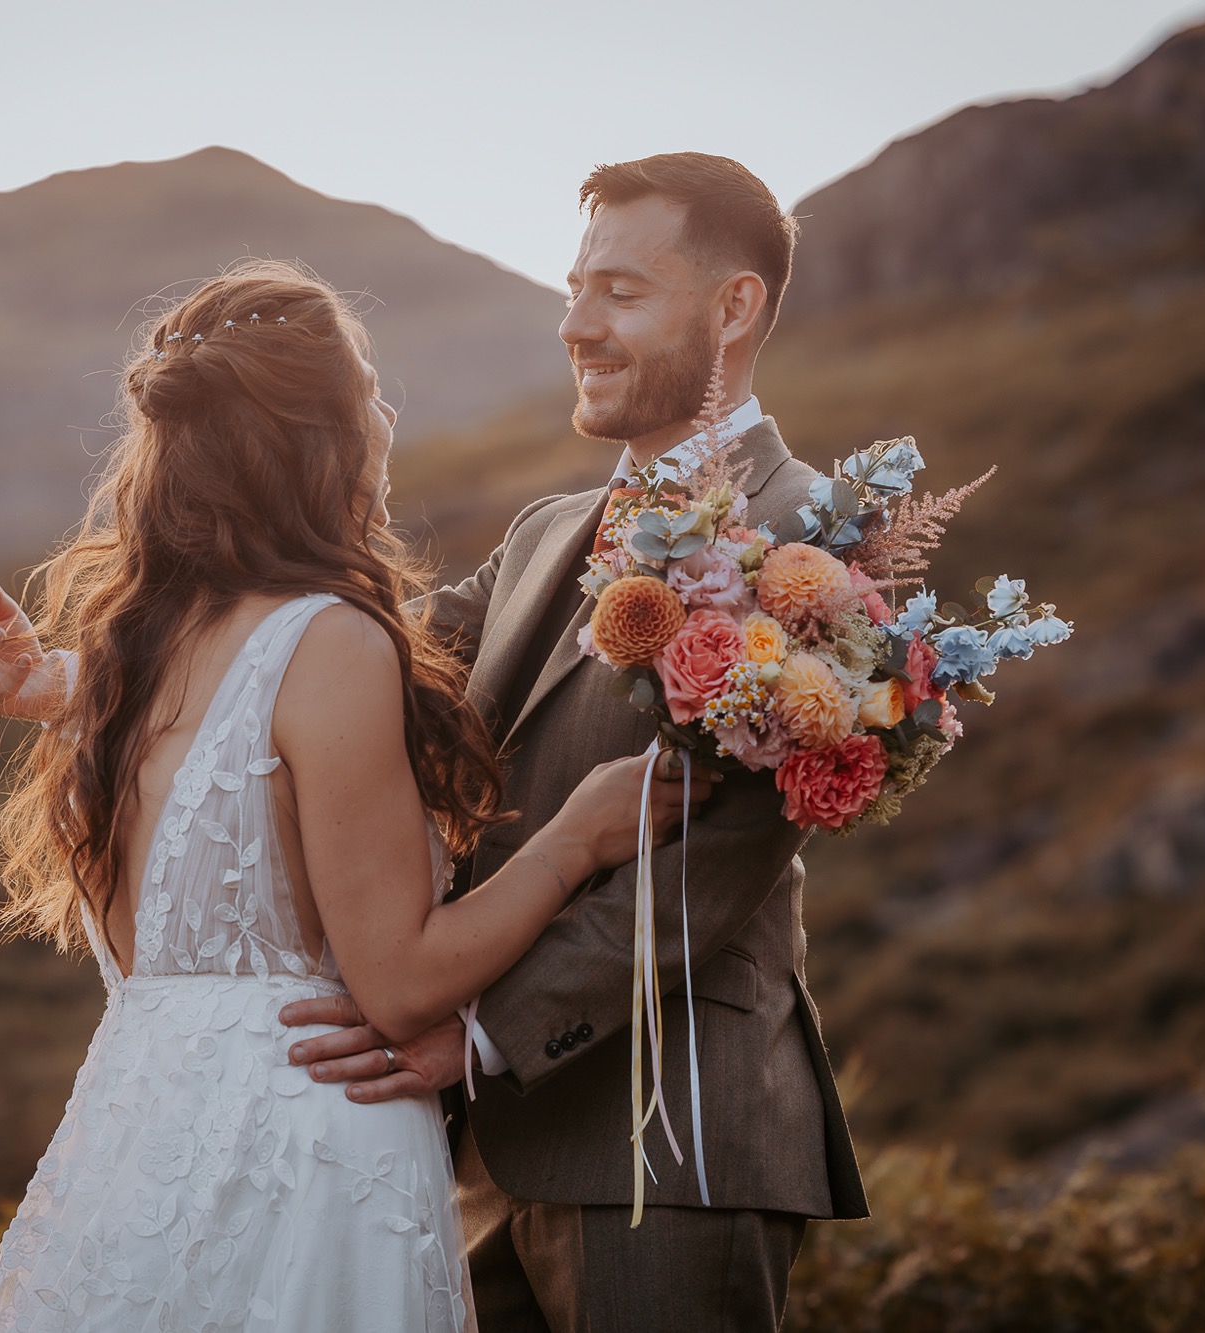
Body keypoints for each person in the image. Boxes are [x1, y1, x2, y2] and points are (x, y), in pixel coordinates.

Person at [0, 259, 705, 1332]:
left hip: (130, 1165)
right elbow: (398, 983)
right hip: (308, 1159)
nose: (388, 412)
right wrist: (573, 840)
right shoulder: (329, 643)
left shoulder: (139, 660)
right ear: (322, 434)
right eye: (370, 388)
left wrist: (57, 682)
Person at [278, 154, 871, 1331]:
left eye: (618, 292)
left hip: (669, 1137)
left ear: (734, 306)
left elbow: (719, 850)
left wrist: (479, 1035)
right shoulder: (547, 529)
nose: (574, 325)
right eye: (571, 288)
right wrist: (104, 675)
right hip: (474, 1156)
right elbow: (373, 674)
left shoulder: (810, 531)